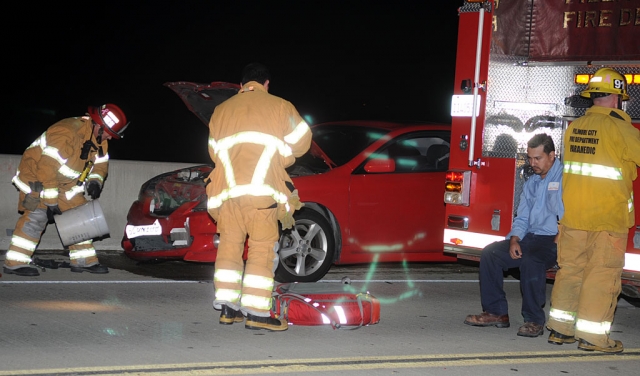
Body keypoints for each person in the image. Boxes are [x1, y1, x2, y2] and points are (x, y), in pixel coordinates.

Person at [206, 63, 311, 331]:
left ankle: (229, 309)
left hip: (228, 195)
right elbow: (303, 141)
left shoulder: (221, 111)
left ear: (242, 85)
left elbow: (214, 153)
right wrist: (283, 154)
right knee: (262, 250)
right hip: (261, 195)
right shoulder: (279, 106)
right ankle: (256, 312)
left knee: (229, 248)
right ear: (266, 84)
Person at [547, 68, 640, 353]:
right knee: (601, 275)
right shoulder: (621, 128)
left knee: (571, 271)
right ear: (616, 97)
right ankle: (593, 337)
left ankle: (561, 330)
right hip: (606, 217)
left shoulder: (575, 126)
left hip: (573, 215)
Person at [3, 104, 129, 277]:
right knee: (36, 217)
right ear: (99, 125)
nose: (110, 138)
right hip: (36, 179)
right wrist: (51, 202)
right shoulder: (66, 132)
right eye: (109, 133)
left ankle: (83, 261)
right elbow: (46, 169)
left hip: (64, 184)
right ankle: (15, 263)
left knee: (80, 215)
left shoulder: (100, 139)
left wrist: (95, 181)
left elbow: (100, 164)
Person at [465, 133, 564, 338]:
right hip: (529, 238)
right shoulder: (532, 183)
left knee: (531, 261)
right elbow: (522, 217)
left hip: (554, 239)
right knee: (491, 254)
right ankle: (496, 313)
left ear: (552, 155)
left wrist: (558, 242)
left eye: (538, 158)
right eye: (529, 158)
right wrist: (514, 239)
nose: (532, 163)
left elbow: (571, 216)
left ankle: (534, 320)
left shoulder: (566, 180)